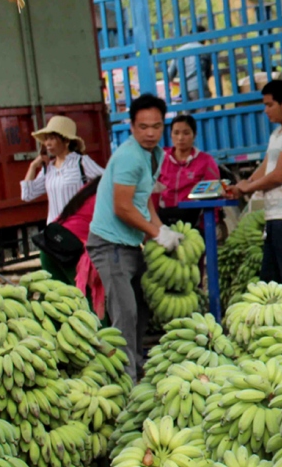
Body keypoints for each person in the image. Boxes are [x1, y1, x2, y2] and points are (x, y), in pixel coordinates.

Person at [87, 94, 184, 382]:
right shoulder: (130, 156)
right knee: (125, 313)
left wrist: (159, 228)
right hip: (110, 244)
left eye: (156, 126)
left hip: (129, 243)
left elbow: (144, 200)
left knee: (141, 307)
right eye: (143, 127)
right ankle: (123, 380)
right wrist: (155, 233)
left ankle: (136, 363)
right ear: (131, 126)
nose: (150, 133)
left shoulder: (155, 155)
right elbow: (123, 207)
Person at [229, 80, 282, 288]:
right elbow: (267, 166)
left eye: (269, 105)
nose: (265, 110)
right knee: (270, 280)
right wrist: (244, 183)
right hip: (277, 216)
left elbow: (278, 176)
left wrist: (248, 188)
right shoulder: (278, 134)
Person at [21, 115, 105, 282]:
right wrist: (33, 166)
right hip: (52, 236)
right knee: (58, 290)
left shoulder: (81, 163)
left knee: (78, 284)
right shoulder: (48, 169)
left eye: (52, 139)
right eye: (46, 140)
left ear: (66, 141)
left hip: (76, 236)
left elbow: (107, 182)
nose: (47, 144)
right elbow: (27, 195)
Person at [50, 177, 107, 319]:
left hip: (50, 246)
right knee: (90, 306)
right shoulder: (109, 195)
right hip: (69, 251)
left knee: (58, 305)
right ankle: (103, 339)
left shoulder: (91, 188)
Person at [155, 115, 220, 226]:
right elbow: (152, 193)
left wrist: (207, 226)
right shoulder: (161, 158)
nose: (180, 138)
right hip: (163, 220)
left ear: (194, 135)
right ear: (171, 135)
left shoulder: (206, 161)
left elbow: (215, 195)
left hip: (193, 221)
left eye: (186, 133)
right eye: (176, 133)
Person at [168, 26, 213, 103]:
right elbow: (208, 73)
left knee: (188, 114)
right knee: (204, 112)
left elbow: (169, 74)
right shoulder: (205, 50)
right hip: (200, 87)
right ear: (203, 37)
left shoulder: (179, 51)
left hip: (184, 90)